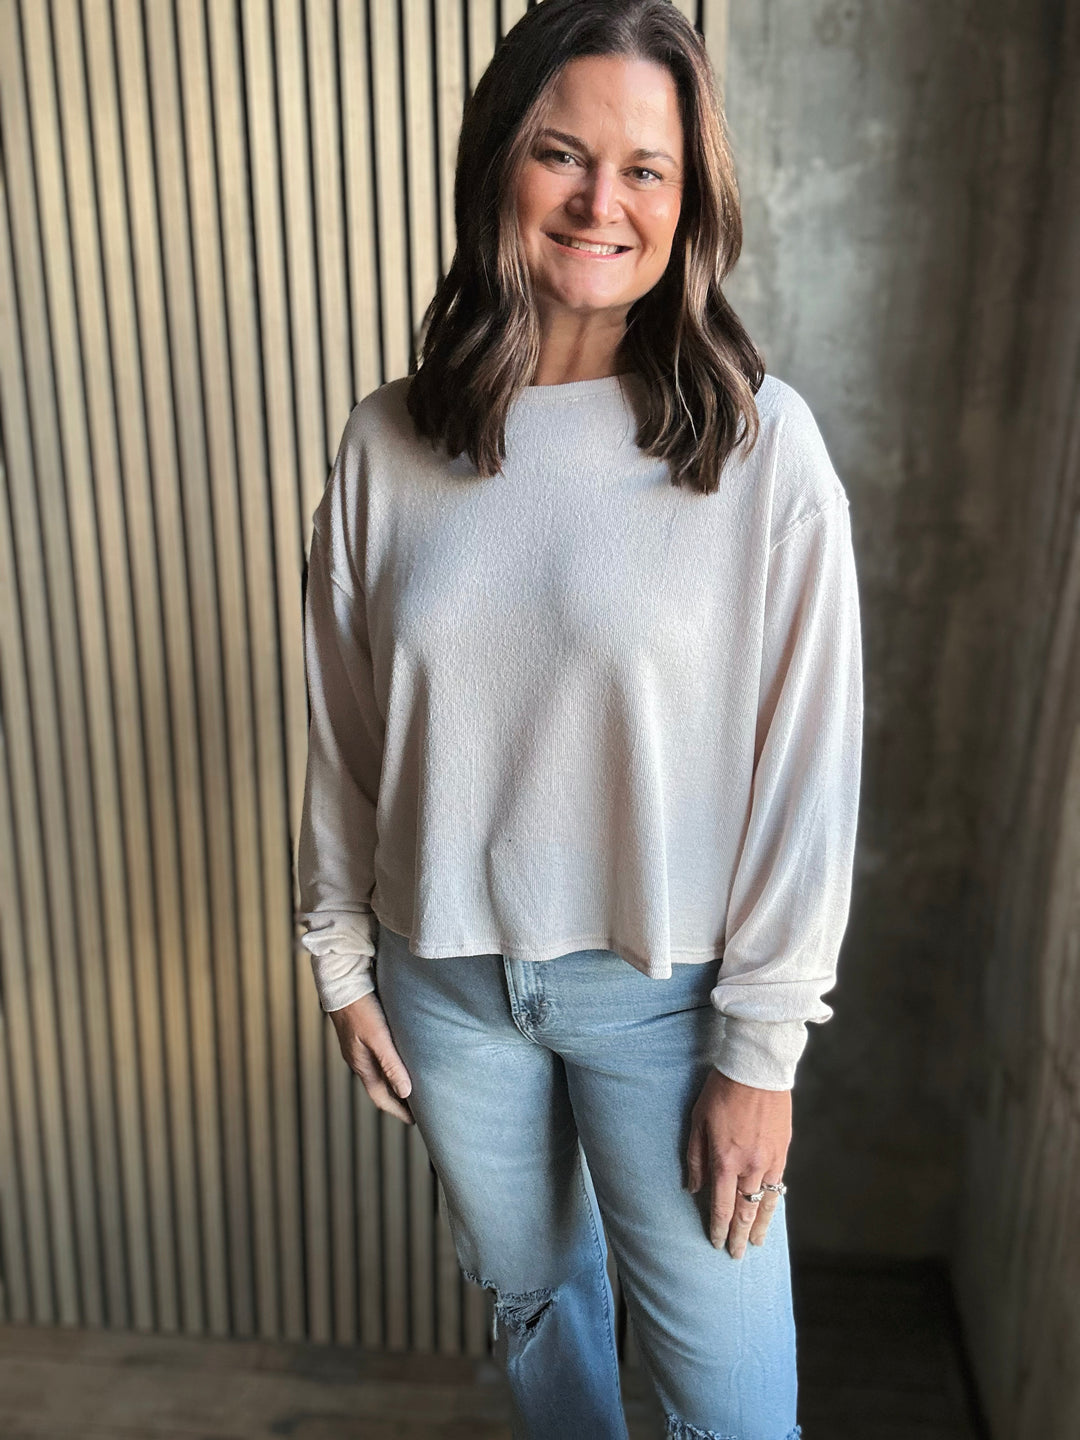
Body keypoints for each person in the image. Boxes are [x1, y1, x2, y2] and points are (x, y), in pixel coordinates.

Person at [296, 2, 862, 1437]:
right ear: (502, 166)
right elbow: (346, 727)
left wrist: (762, 1055)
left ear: (691, 197)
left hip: (669, 1002)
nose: (603, 200)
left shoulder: (754, 446)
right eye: (563, 153)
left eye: (646, 168)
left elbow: (810, 773)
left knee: (737, 1411)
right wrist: (342, 957)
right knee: (544, 1318)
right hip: (446, 986)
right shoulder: (387, 444)